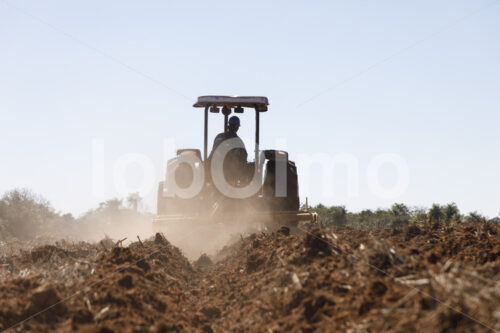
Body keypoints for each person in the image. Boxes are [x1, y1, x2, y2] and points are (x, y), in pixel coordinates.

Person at [210, 116, 248, 184]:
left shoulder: (219, 137)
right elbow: (244, 156)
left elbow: (213, 152)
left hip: (214, 170)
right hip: (229, 174)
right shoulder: (237, 141)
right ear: (237, 127)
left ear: (228, 125)